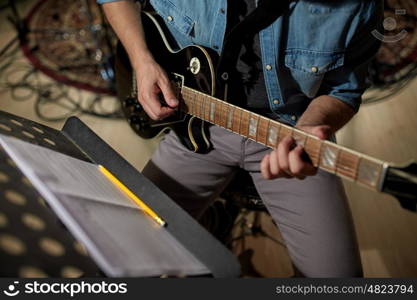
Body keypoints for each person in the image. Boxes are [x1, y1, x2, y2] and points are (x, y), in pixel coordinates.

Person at [98, 0, 383, 277]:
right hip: (195, 130)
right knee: (121, 251)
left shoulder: (358, 5)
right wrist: (142, 60)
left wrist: (309, 130)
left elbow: (343, 91)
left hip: (286, 133)